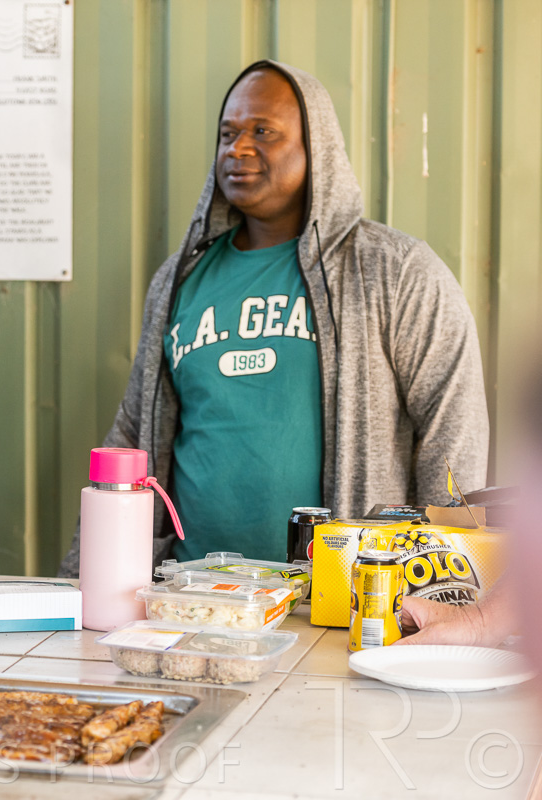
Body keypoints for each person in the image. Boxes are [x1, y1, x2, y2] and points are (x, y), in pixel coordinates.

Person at [60, 60, 488, 575]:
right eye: (228, 134)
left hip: (340, 594)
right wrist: (82, 579)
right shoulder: (179, 278)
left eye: (263, 131)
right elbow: (134, 435)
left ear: (317, 148)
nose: (237, 149)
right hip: (192, 591)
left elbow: (453, 434)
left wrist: (438, 582)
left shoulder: (394, 270)